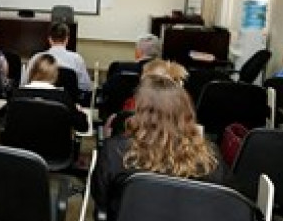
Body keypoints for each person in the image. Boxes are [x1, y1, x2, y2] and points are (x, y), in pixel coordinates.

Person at [91, 75, 227, 210]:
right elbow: (223, 203)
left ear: (140, 111)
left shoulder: (115, 150)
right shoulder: (210, 157)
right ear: (186, 113)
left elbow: (100, 198)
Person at [15, 54, 86, 128]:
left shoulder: (16, 95)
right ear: (55, 75)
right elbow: (83, 127)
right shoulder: (63, 99)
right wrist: (79, 112)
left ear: (33, 71)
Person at [22, 22, 92, 93]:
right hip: (65, 102)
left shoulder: (36, 58)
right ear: (67, 39)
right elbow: (86, 87)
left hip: (36, 101)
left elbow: (24, 83)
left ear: (50, 39)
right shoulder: (77, 59)